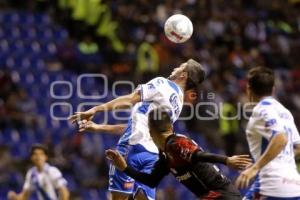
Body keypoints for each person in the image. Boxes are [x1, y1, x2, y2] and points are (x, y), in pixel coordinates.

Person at [69, 59, 205, 200]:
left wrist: (96, 109)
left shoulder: (162, 83)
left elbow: (130, 99)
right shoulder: (178, 102)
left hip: (132, 148)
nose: (174, 68)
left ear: (183, 75)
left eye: (179, 67)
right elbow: (138, 126)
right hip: (153, 156)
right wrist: (98, 127)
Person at [105, 109, 252, 200]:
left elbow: (199, 155)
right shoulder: (165, 155)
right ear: (171, 126)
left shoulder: (176, 143)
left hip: (220, 195)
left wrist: (227, 160)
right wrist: (125, 168)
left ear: (150, 133)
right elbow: (151, 180)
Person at [235, 67, 300, 199]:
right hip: (295, 186)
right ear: (273, 89)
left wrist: (255, 168)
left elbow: (281, 139)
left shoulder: (262, 110)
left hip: (270, 186)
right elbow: (298, 147)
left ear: (249, 89)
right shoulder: (285, 112)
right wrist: (270, 160)